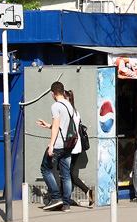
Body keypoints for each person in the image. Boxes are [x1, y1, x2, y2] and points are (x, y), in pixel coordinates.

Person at [36, 81, 77, 211]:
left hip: (59, 144)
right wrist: (48, 125)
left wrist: (51, 146)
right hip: (68, 144)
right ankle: (66, 204)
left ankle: (55, 197)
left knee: (45, 168)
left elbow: (57, 126)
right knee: (66, 174)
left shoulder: (56, 106)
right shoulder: (69, 105)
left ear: (53, 93)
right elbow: (63, 126)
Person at [65, 89, 94, 207]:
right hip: (77, 146)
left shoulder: (68, 111)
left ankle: (85, 190)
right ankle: (65, 197)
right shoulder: (76, 112)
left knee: (68, 173)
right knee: (67, 172)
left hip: (69, 146)